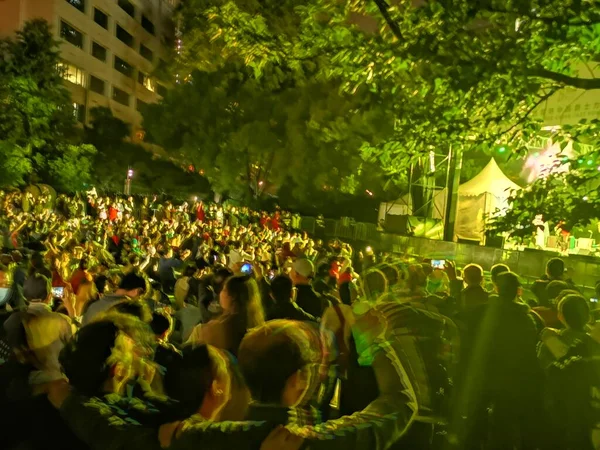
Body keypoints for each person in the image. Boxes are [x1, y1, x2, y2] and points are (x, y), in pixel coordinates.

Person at [453, 272, 547, 449]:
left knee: (474, 422)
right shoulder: (527, 319)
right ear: (518, 291)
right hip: (511, 378)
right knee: (503, 425)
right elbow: (529, 352)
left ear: (495, 288)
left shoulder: (478, 312)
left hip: (480, 375)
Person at [187, 275, 265, 356]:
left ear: (232, 297)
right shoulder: (261, 331)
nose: (220, 293)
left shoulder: (216, 329)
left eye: (224, 289)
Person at [82, 272, 146, 325]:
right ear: (137, 291)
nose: (139, 299)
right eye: (140, 295)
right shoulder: (123, 310)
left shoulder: (98, 302)